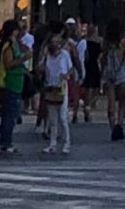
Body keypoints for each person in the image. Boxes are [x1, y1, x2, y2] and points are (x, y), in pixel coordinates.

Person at [0, 20, 26, 156]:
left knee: (10, 114)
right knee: (10, 115)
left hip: (16, 82)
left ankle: (6, 141)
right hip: (9, 82)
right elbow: (9, 63)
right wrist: (23, 59)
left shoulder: (15, 44)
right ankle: (6, 143)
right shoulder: (8, 45)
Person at [37, 26, 76, 155]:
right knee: (52, 119)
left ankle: (67, 143)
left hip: (61, 88)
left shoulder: (64, 55)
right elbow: (40, 67)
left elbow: (70, 68)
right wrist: (41, 68)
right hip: (50, 87)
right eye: (52, 43)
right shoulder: (47, 56)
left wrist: (67, 76)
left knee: (63, 117)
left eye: (56, 42)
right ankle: (52, 144)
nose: (55, 45)